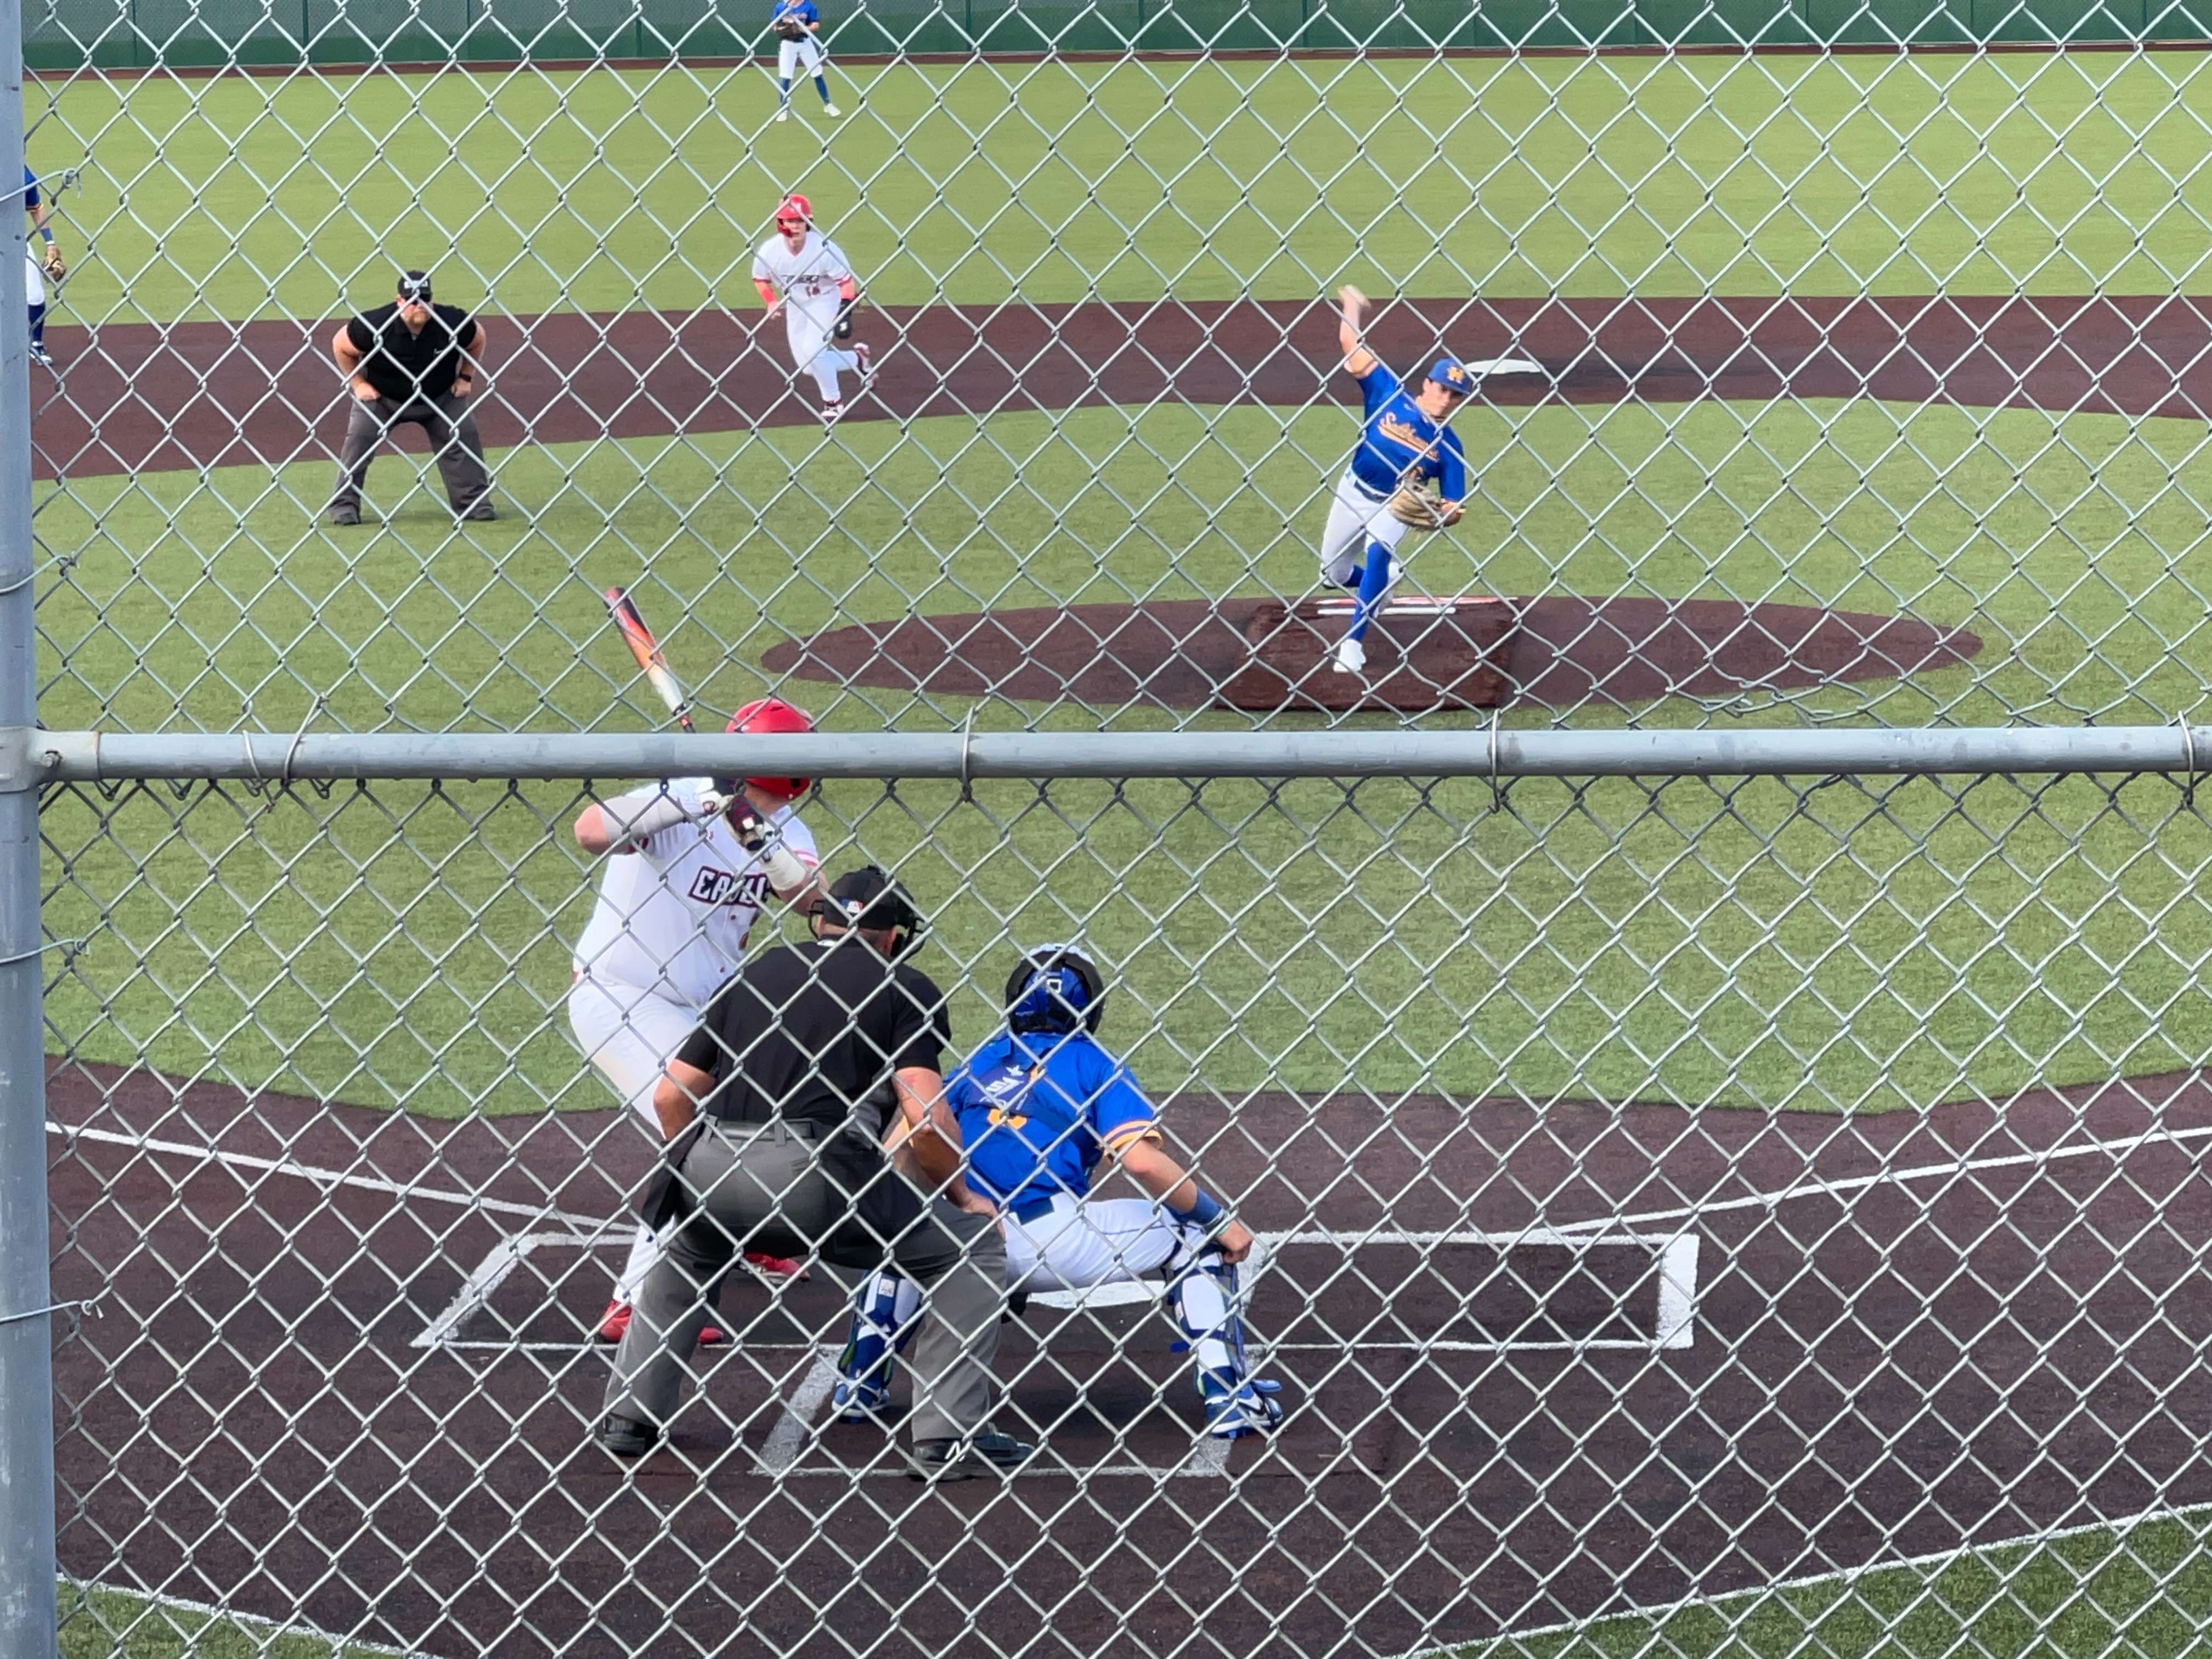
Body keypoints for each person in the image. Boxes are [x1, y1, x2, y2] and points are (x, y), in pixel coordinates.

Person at [597, 867, 1034, 1482]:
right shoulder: (900, 984)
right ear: (891, 936)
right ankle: (944, 1440)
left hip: (711, 1165)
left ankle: (629, 1418)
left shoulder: (758, 973)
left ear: (821, 921)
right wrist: (963, 1197)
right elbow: (927, 1118)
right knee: (968, 1253)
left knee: (688, 1255)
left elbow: (673, 1098)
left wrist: (707, 1164)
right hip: (819, 1175)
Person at [831, 945, 1283, 1441]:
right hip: (1055, 1238)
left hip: (962, 1237)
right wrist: (1221, 1220)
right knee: (1193, 1231)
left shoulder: (981, 1063)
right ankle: (1228, 1394)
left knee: (906, 1237)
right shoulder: (1093, 1063)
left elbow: (900, 1149)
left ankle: (860, 1383)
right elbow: (1140, 1160)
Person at [569, 698, 825, 1346]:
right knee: (697, 1128)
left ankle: (749, 1231)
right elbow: (590, 830)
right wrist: (688, 802)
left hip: (704, 1014)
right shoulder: (680, 791)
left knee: (771, 1106)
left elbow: (816, 907)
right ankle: (635, 1301)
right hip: (621, 997)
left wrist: (758, 839)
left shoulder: (788, 827)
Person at [1316, 284, 1473, 678]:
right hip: (1353, 489)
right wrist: (1352, 306)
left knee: (1379, 548)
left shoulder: (1450, 447)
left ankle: (1353, 644)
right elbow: (1350, 345)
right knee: (1332, 575)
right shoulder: (1388, 393)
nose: (1446, 399)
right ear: (1427, 383)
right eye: (1443, 388)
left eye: (1456, 395)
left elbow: (1455, 502)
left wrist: (1442, 514)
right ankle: (1382, 582)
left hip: (1393, 505)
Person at [327, 270, 495, 526]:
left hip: (440, 398)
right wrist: (358, 384)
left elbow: (478, 338)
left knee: (465, 435)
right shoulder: (374, 324)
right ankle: (344, 507)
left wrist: (466, 378)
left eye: (425, 299)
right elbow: (340, 345)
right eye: (412, 300)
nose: (419, 305)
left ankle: (474, 504)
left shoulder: (452, 321)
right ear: (399, 301)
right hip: (383, 398)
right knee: (359, 440)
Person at [752, 193, 872, 426]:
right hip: (796, 303)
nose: (795, 226)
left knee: (813, 350)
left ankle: (833, 402)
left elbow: (846, 282)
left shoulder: (824, 248)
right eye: (790, 221)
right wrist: (770, 301)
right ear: (781, 223)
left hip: (825, 299)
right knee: (808, 367)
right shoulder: (770, 251)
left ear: (808, 222)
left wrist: (845, 307)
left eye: (800, 221)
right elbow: (759, 278)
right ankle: (858, 359)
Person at [769, 0, 840, 121]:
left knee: (817, 73)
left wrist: (801, 29)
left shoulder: (808, 5)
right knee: (786, 77)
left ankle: (828, 104)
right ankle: (783, 108)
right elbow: (774, 25)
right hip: (788, 44)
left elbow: (815, 25)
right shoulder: (781, 6)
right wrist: (781, 29)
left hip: (805, 42)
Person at [22, 163, 63, 370]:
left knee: (36, 295)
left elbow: (36, 208)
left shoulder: (20, 173)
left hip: (13, 240)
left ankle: (36, 344)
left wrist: (50, 243)